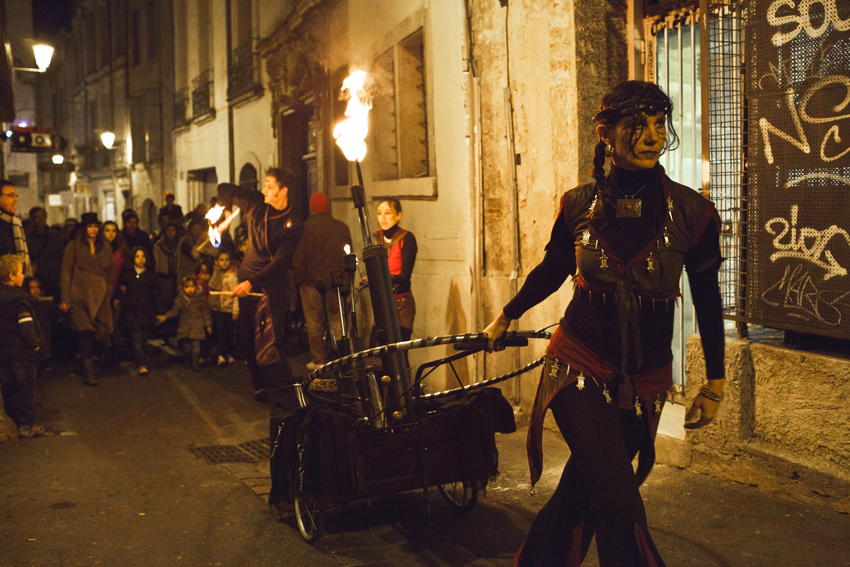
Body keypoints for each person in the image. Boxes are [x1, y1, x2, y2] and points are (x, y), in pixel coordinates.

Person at [482, 81, 725, 567]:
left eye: (659, 124)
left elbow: (708, 297)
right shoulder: (576, 203)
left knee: (587, 488)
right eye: (637, 124)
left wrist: (714, 382)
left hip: (647, 379)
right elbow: (553, 269)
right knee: (618, 498)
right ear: (605, 132)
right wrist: (506, 315)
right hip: (578, 364)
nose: (652, 135)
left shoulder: (695, 212)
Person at [216, 168, 304, 402]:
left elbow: (281, 263)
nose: (264, 190)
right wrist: (225, 213)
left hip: (270, 286)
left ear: (283, 191)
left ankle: (284, 392)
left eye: (270, 186)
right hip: (246, 279)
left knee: (270, 339)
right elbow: (225, 188)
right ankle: (261, 386)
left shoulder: (293, 223)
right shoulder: (255, 203)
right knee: (247, 338)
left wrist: (251, 283)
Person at [292, 192, 352, 369]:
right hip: (336, 283)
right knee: (337, 320)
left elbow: (299, 258)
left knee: (314, 323)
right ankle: (343, 358)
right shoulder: (342, 228)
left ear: (311, 208)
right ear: (328, 207)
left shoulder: (305, 228)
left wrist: (299, 279)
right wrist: (346, 280)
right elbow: (348, 256)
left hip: (311, 284)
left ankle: (319, 360)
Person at [59, 212, 114, 387]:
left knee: (99, 331)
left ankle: (84, 362)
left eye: (96, 227)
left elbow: (111, 273)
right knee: (85, 331)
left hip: (99, 296)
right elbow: (66, 272)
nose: (93, 230)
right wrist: (65, 297)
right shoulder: (73, 246)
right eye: (90, 226)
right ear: (83, 229)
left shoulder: (105, 247)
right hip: (79, 294)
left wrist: (108, 292)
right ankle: (89, 371)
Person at [0, 254, 44, 438]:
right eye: (20, 272)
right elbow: (26, 327)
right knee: (26, 390)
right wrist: (35, 345)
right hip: (22, 354)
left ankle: (13, 421)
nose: (23, 276)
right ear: (11, 276)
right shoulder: (20, 301)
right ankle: (26, 425)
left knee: (8, 389)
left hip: (3, 354)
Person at [368, 198, 417, 346]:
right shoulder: (377, 238)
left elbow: (404, 276)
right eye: (379, 213)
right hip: (382, 302)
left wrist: (383, 278)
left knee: (399, 352)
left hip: (401, 303)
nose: (383, 217)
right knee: (375, 350)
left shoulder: (407, 238)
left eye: (388, 213)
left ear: (398, 215)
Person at [116, 247, 162, 376]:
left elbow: (156, 294)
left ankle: (141, 359)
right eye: (137, 256)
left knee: (143, 339)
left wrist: (159, 311)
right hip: (132, 313)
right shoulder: (128, 275)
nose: (141, 259)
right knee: (136, 340)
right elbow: (122, 290)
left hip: (146, 312)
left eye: (143, 256)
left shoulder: (150, 275)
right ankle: (141, 364)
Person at [157, 276, 212, 372]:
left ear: (196, 287)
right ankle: (187, 360)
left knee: (196, 346)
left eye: (192, 286)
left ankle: (195, 363)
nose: (190, 289)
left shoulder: (201, 299)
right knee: (186, 347)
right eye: (187, 287)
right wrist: (165, 316)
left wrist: (208, 325)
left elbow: (206, 313)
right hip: (185, 326)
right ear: (183, 288)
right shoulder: (180, 299)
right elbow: (175, 311)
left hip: (197, 326)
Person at [25, 206, 64, 299]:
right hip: (38, 279)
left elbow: (61, 257)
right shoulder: (28, 237)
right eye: (37, 217)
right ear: (32, 219)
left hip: (54, 279)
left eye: (43, 216)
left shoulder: (55, 236)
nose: (41, 219)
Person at [209, 250, 239, 366]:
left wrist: (236, 310)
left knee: (229, 332)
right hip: (218, 308)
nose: (224, 262)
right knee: (220, 331)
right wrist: (216, 270)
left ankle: (229, 353)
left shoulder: (232, 275)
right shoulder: (216, 273)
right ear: (217, 262)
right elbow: (212, 284)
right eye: (221, 260)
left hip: (228, 308)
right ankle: (221, 354)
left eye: (226, 260)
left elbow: (235, 294)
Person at [0, 180, 32, 277]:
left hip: (16, 280)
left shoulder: (15, 223)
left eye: (16, 196)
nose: (15, 200)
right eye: (11, 195)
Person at [153, 221, 180, 310]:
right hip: (163, 278)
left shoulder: (179, 245)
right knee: (164, 302)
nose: (170, 232)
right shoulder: (158, 245)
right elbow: (156, 261)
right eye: (168, 230)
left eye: (173, 230)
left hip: (176, 278)